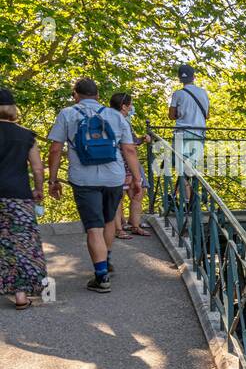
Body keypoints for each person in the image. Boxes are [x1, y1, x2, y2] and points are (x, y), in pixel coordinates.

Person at [47, 78, 143, 292]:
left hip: (84, 179)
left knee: (94, 227)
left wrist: (52, 180)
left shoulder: (68, 114)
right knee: (109, 220)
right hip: (114, 177)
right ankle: (106, 260)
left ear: (75, 95)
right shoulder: (115, 115)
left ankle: (101, 277)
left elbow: (55, 149)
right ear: (98, 95)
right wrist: (137, 180)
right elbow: (129, 150)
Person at [0, 88, 47, 309]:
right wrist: (38, 190)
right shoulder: (25, 135)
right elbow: (38, 169)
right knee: (21, 244)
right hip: (18, 195)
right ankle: (20, 296)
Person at [109, 92, 152, 236]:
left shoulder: (107, 118)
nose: (131, 107)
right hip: (124, 163)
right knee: (137, 193)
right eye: (130, 104)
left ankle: (126, 227)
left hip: (113, 162)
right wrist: (143, 139)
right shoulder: (122, 121)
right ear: (123, 106)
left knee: (119, 197)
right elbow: (130, 146)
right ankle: (127, 227)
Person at [168, 63, 208, 180]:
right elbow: (208, 115)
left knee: (181, 167)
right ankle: (193, 197)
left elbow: (171, 115)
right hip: (199, 133)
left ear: (180, 78)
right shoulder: (203, 93)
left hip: (182, 133)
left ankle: (185, 197)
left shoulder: (178, 94)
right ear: (193, 77)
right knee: (192, 168)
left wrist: (181, 114)